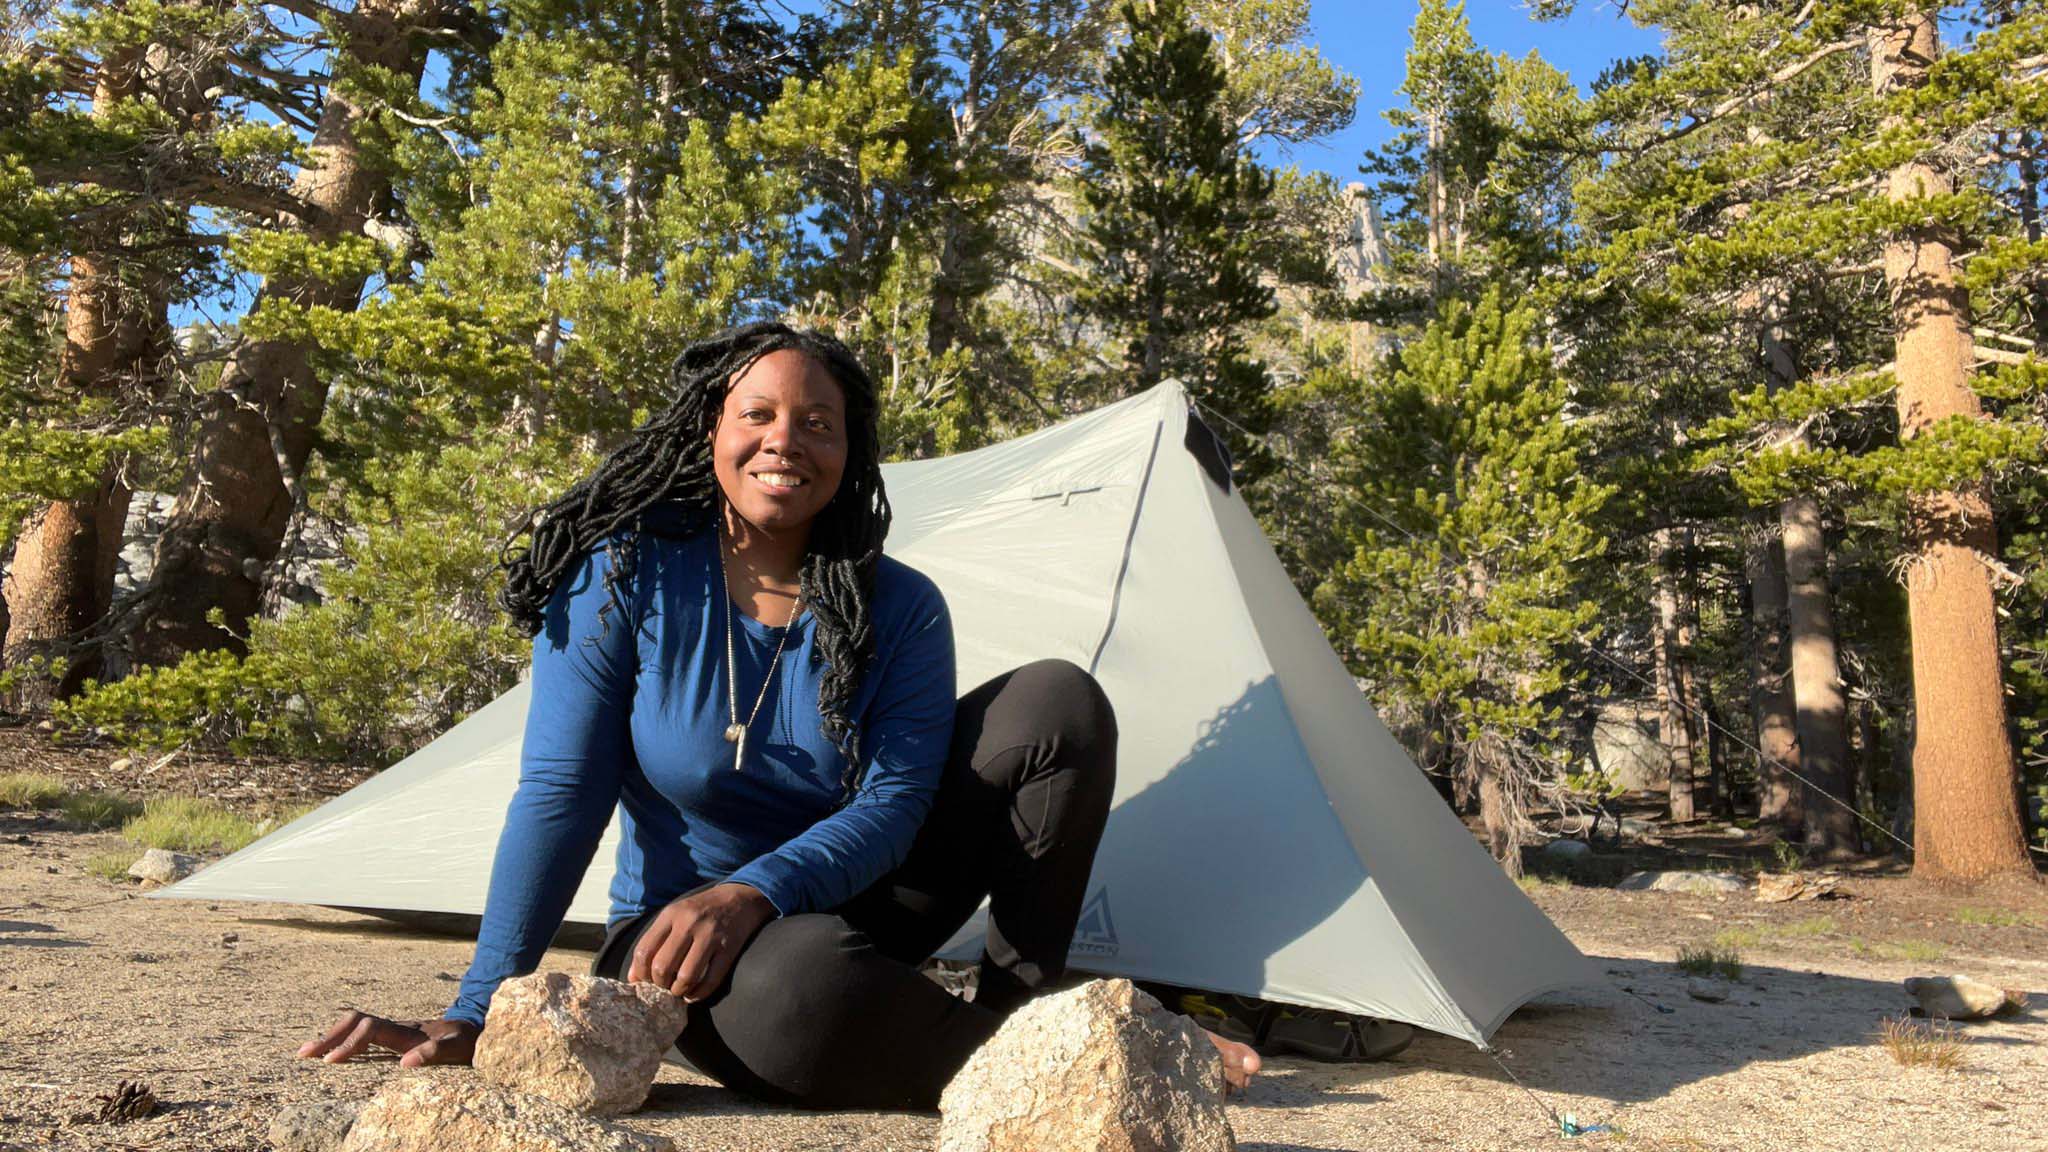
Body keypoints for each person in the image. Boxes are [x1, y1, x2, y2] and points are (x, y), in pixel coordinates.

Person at [295, 322, 1260, 1109]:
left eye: (818, 424)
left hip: (861, 894)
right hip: (682, 935)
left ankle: (1031, 1005)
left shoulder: (900, 605)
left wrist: (758, 886)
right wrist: (473, 1010)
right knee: (801, 996)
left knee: (1057, 700)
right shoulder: (623, 574)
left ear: (852, 449)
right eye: (758, 413)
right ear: (708, 429)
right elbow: (561, 791)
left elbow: (895, 803)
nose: (785, 442)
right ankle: (1051, 1058)